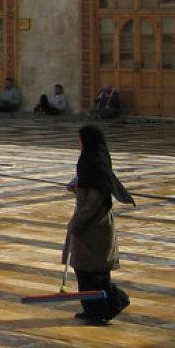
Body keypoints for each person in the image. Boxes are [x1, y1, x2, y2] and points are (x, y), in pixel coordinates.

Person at [66, 124, 134, 324]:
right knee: (85, 272)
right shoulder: (88, 161)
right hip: (89, 226)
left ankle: (113, 303)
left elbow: (95, 200)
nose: (78, 143)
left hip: (94, 227)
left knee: (95, 274)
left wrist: (76, 225)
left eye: (80, 139)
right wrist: (76, 188)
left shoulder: (93, 164)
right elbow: (86, 189)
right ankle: (93, 310)